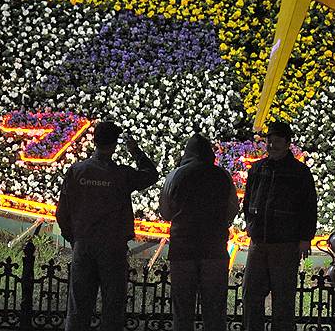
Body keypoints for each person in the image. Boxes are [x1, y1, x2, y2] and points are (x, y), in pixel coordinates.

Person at [56, 121, 158, 331]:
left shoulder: (77, 171)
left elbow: (62, 213)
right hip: (113, 247)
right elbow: (151, 174)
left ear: (95, 141)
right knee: (113, 308)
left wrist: (75, 239)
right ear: (114, 145)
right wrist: (135, 151)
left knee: (78, 308)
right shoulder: (121, 175)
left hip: (84, 244)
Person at [241, 121, 318, 331]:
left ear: (287, 143)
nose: (272, 145)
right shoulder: (258, 169)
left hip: (286, 242)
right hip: (259, 240)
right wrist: (251, 224)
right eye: (269, 141)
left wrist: (305, 238)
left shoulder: (299, 172)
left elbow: (308, 206)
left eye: (277, 141)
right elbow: (248, 200)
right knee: (251, 293)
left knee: (283, 297)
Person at [159, 133, 239, 331]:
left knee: (183, 309)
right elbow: (232, 209)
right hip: (214, 250)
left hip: (183, 249)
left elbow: (165, 212)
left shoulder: (175, 175)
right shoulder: (222, 176)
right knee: (214, 309)